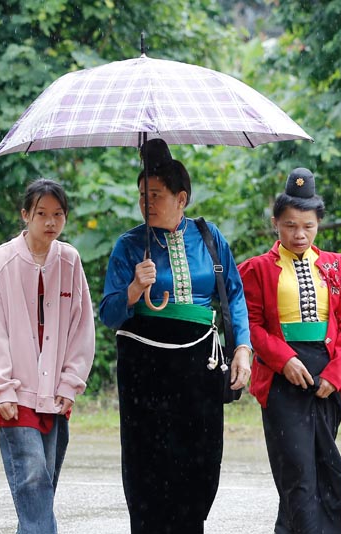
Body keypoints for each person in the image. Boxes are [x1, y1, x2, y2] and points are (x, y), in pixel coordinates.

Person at [99, 139, 252, 534]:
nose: (146, 203)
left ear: (181, 198)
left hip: (199, 364)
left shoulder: (208, 236)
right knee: (148, 461)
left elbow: (233, 293)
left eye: (156, 195)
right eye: (142, 195)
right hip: (145, 368)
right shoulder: (129, 245)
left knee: (200, 456)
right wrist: (134, 289)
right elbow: (109, 313)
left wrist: (243, 349)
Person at [238, 168, 341, 534]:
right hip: (281, 380)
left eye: (308, 225)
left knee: (319, 467)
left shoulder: (337, 266)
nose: (299, 234)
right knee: (297, 471)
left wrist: (337, 373)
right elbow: (252, 327)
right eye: (290, 225)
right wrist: (283, 359)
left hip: (325, 379)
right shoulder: (256, 269)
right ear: (276, 223)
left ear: (319, 223)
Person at [0, 178, 96, 534]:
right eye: (41, 213)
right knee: (31, 481)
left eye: (58, 214)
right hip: (15, 390)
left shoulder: (70, 260)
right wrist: (0, 388)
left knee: (43, 487)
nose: (50, 222)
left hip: (56, 392)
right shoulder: (0, 261)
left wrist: (71, 382)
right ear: (25, 215)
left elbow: (81, 326)